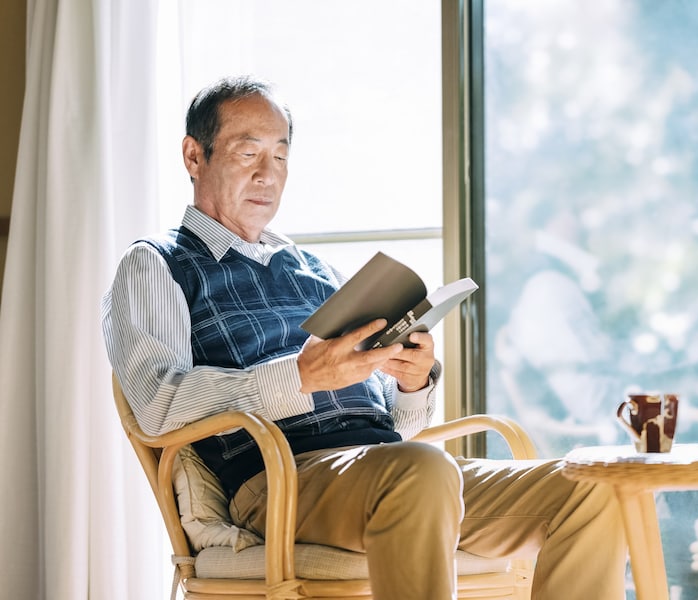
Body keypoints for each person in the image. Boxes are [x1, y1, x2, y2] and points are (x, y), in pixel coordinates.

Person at [101, 75, 627, 600]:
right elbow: (158, 405)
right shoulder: (156, 264)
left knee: (592, 487)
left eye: (281, 157)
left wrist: (413, 383)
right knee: (419, 471)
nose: (268, 175)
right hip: (281, 480)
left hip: (387, 470)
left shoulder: (317, 269)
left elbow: (400, 432)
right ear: (195, 156)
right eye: (248, 153)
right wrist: (300, 376)